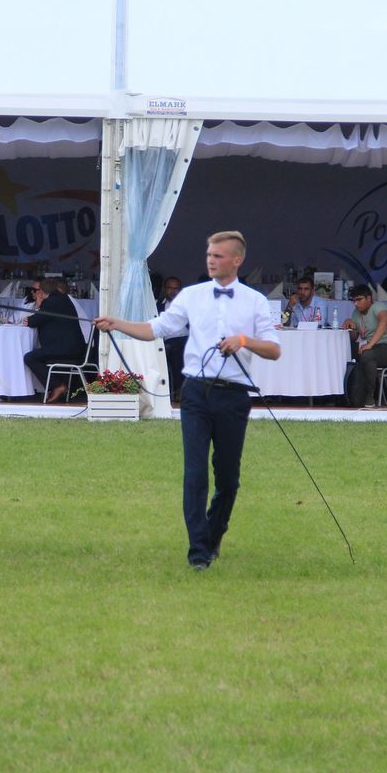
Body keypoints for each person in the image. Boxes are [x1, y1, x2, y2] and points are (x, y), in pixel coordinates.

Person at [94, 230, 281, 570]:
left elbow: (274, 350)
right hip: (196, 393)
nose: (211, 260)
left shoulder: (255, 301)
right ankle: (198, 553)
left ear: (236, 260)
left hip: (234, 396)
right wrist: (117, 323)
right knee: (194, 473)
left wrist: (243, 340)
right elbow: (156, 329)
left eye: (218, 256)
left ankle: (215, 531)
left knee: (228, 478)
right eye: (209, 254)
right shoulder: (191, 297)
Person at [341, 283, 387, 407]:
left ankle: (369, 396)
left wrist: (370, 344)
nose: (356, 304)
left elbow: (385, 321)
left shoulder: (378, 307)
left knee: (367, 354)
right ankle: (346, 395)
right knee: (347, 351)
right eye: (354, 301)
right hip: (376, 348)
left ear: (369, 298)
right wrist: (349, 325)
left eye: (359, 300)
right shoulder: (356, 313)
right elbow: (355, 337)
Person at [23, 277, 86, 403]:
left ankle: (57, 386)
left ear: (41, 291)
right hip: (72, 347)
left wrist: (38, 306)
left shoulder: (52, 302)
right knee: (36, 354)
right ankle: (56, 385)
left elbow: (32, 321)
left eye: (36, 290)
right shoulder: (62, 298)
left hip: (65, 349)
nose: (34, 293)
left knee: (30, 357)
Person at [157, 276, 186, 399]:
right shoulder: (158, 305)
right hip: (163, 341)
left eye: (176, 288)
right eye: (170, 288)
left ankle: (179, 393)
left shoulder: (186, 305)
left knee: (177, 354)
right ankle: (164, 393)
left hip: (183, 339)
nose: (173, 291)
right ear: (165, 288)